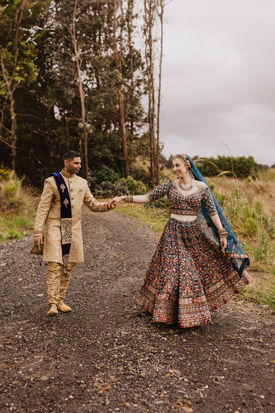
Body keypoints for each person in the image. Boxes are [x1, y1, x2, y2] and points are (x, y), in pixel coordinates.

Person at [120, 154, 251, 328]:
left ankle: (191, 315)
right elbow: (147, 197)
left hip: (193, 234)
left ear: (188, 166)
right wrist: (125, 198)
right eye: (173, 166)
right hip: (173, 233)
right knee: (173, 271)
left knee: (193, 272)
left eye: (177, 165)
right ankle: (167, 314)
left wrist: (222, 233)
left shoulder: (202, 188)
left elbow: (212, 212)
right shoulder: (170, 185)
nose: (174, 169)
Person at [33, 151, 117, 316]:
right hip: (55, 227)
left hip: (73, 228)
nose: (80, 166)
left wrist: (107, 205)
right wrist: (38, 232)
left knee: (68, 266)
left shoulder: (83, 183)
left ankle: (60, 300)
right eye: (76, 163)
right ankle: (52, 304)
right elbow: (42, 208)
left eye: (80, 163)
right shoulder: (51, 181)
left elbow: (92, 204)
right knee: (55, 265)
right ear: (66, 162)